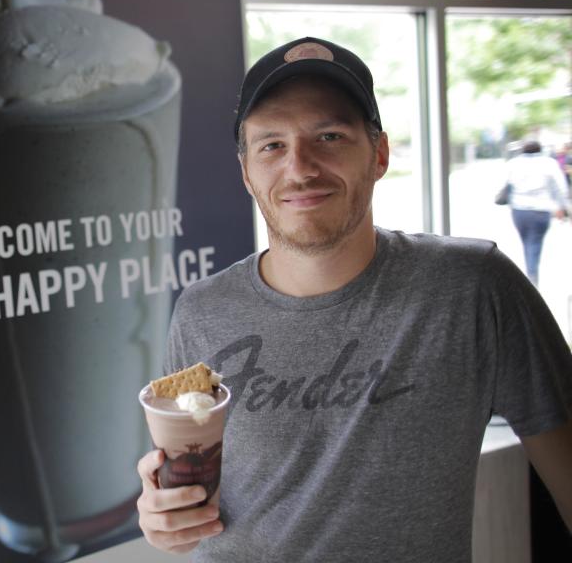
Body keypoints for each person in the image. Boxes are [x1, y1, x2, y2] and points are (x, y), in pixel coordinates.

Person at [136, 36, 572, 561]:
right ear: (246, 171)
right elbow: (186, 493)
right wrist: (164, 517)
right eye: (271, 144)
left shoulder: (472, 289)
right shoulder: (202, 311)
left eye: (329, 136)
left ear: (380, 154)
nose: (299, 167)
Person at [503, 139, 570, 286]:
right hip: (541, 210)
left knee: (527, 241)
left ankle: (530, 273)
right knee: (535, 243)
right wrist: (562, 207)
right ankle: (532, 275)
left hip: (519, 210)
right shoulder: (549, 163)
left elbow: (504, 185)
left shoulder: (514, 164)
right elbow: (561, 188)